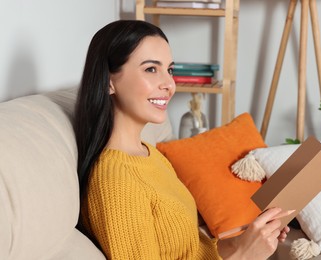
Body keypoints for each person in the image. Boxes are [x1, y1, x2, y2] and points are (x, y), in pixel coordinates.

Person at [74, 19, 290, 259]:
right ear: (108, 82)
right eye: (151, 69)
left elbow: (191, 250)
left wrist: (243, 241)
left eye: (170, 70)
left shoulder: (149, 154)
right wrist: (245, 256)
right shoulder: (115, 179)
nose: (169, 84)